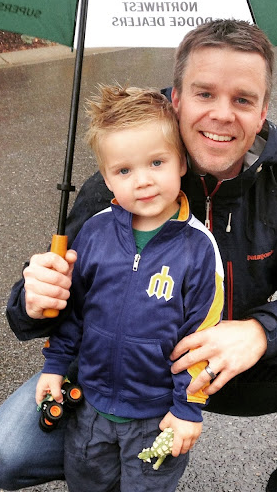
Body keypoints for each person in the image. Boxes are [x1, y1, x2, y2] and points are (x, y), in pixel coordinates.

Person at [0, 20, 277, 492]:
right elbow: (49, 304)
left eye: (243, 100)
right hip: (119, 370)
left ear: (263, 111)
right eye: (204, 93)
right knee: (4, 455)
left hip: (226, 363)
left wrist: (260, 331)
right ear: (177, 99)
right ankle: (114, 450)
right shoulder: (129, 179)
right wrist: (32, 299)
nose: (222, 115)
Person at [34, 84, 224, 491]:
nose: (143, 181)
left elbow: (203, 335)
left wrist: (188, 407)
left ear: (181, 162)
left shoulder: (198, 248)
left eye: (157, 162)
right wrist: (54, 366)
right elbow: (73, 312)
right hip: (90, 408)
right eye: (124, 171)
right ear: (106, 178)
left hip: (156, 417)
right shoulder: (94, 233)